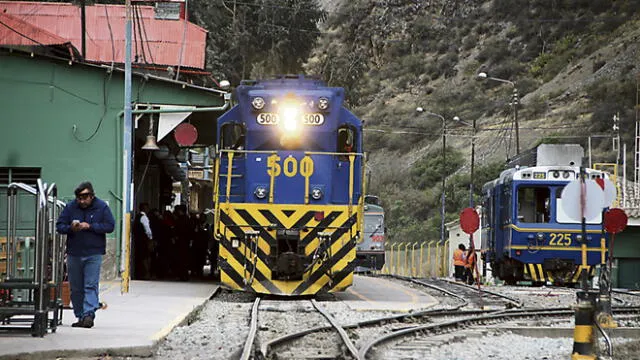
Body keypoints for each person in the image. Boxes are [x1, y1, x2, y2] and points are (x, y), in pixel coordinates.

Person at [56, 181, 115, 328]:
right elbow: (60, 226)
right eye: (79, 198)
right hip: (74, 252)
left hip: (93, 252)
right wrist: (71, 228)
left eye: (85, 197)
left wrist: (90, 226)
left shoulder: (102, 207)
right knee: (76, 287)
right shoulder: (71, 207)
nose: (82, 201)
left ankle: (89, 315)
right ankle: (80, 315)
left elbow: (110, 226)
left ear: (92, 196)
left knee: (90, 285)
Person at [133, 203, 153, 279]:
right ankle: (146, 273)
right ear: (145, 208)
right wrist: (150, 238)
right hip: (144, 240)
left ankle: (141, 273)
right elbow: (147, 229)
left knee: (140, 256)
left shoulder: (137, 217)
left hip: (138, 240)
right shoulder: (144, 217)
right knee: (145, 257)